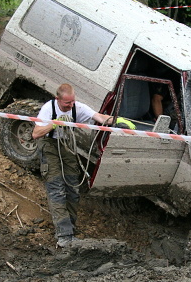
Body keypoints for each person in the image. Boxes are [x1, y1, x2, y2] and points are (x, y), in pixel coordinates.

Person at [32, 83, 134, 248]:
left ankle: (70, 230)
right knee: (57, 188)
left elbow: (99, 117)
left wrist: (117, 121)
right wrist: (54, 123)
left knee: (72, 187)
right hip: (49, 145)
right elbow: (36, 134)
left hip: (66, 144)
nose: (71, 105)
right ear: (58, 99)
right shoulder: (48, 108)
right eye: (67, 103)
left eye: (72, 102)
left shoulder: (77, 107)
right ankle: (64, 236)